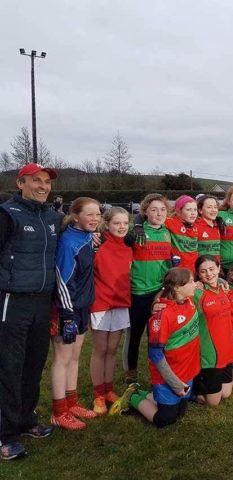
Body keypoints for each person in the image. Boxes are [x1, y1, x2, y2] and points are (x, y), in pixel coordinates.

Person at [0, 164, 60, 460]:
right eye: (36, 180)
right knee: (9, 366)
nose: (43, 186)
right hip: (12, 300)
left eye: (46, 182)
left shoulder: (51, 216)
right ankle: (5, 434)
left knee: (34, 363)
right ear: (20, 182)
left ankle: (25, 419)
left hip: (41, 299)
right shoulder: (7, 214)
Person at [111, 268, 199, 427]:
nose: (196, 284)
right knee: (165, 420)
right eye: (192, 281)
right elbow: (155, 354)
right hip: (169, 378)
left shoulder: (189, 301)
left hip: (187, 371)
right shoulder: (163, 315)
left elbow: (213, 284)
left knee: (180, 413)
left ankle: (142, 392)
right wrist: (175, 383)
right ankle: (132, 397)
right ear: (178, 287)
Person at [51, 197, 102, 430]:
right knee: (62, 359)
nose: (95, 219)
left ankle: (72, 404)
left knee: (74, 357)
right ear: (76, 216)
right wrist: (67, 313)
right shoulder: (69, 242)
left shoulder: (86, 238)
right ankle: (58, 411)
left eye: (98, 214)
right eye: (89, 214)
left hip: (82, 305)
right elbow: (63, 279)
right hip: (66, 309)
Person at [123, 193, 172, 384]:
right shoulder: (136, 231)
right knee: (134, 336)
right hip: (138, 293)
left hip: (159, 293)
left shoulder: (168, 232)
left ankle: (157, 375)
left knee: (157, 337)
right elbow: (118, 237)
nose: (159, 214)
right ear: (145, 212)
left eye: (162, 210)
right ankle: (131, 376)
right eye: (154, 210)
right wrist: (136, 224)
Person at [90, 206, 132, 415]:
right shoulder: (97, 245)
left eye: (125, 223)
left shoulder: (129, 247)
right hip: (100, 304)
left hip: (121, 303)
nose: (122, 227)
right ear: (107, 224)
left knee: (113, 349)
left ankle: (108, 390)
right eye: (117, 223)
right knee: (101, 350)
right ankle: (98, 394)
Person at [193, 255, 233, 407]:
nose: (209, 274)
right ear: (198, 274)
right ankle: (195, 389)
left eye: (212, 269)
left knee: (227, 393)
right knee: (213, 402)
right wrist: (156, 304)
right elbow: (172, 294)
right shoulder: (195, 293)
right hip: (209, 352)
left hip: (227, 347)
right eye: (203, 271)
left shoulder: (224, 287)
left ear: (219, 268)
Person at [165, 195, 199, 273]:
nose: (193, 213)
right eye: (189, 210)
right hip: (179, 271)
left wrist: (218, 219)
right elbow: (145, 215)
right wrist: (138, 225)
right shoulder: (172, 222)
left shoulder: (196, 224)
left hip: (193, 271)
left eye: (195, 210)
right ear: (178, 212)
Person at [195, 195, 221, 263]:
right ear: (200, 210)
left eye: (215, 207)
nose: (213, 210)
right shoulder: (195, 226)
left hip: (215, 268)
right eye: (209, 207)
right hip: (201, 268)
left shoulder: (218, 226)